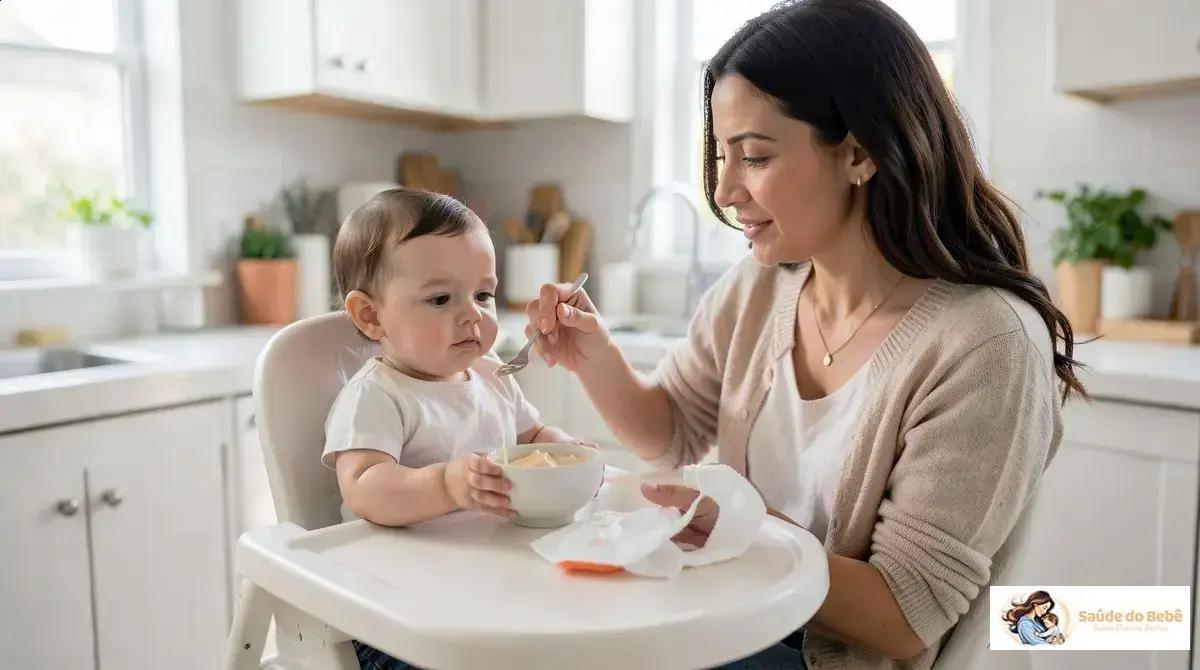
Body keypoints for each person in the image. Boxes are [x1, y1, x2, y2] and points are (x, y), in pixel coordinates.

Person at [524, 1, 1081, 667]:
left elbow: (904, 617)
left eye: (754, 156)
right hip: (736, 625)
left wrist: (738, 523)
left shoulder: (985, 344)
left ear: (858, 154)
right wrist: (594, 355)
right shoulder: (761, 287)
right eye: (721, 156)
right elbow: (667, 432)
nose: (725, 191)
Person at [322, 188, 588, 670]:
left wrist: (568, 453)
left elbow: (532, 436)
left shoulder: (491, 375)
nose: (474, 314)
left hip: (486, 587)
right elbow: (363, 486)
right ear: (371, 315)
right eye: (441, 298)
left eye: (483, 294)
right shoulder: (378, 395)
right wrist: (446, 483)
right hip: (397, 613)